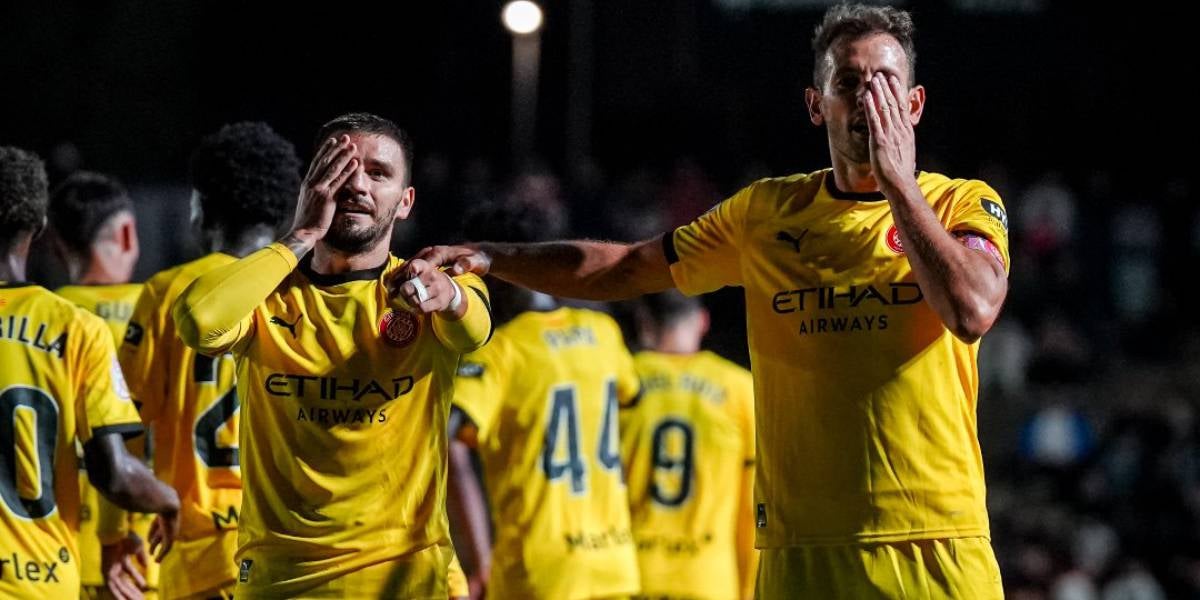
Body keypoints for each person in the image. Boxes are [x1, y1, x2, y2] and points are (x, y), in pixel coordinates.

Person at [413, 4, 1011, 597]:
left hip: (933, 541)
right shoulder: (764, 214)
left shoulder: (960, 204)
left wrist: (899, 184)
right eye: (848, 82)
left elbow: (973, 310)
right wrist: (493, 257)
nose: (868, 99)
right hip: (800, 551)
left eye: (885, 82)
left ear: (914, 104)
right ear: (815, 105)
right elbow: (627, 266)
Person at [172, 113, 492, 598]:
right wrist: (300, 234)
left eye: (378, 173)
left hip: (402, 582)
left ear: (405, 202)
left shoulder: (429, 288)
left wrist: (448, 294)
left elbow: (473, 328)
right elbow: (198, 320)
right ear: (312, 185)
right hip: (282, 582)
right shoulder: (269, 293)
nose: (357, 184)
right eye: (341, 168)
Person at [114, 121, 301, 600]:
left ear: (202, 205)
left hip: (196, 548)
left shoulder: (170, 292)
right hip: (289, 545)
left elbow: (124, 425)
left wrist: (122, 527)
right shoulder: (302, 293)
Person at [0, 146, 179, 599]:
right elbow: (114, 472)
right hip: (105, 562)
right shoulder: (152, 314)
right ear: (39, 226)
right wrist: (167, 501)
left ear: (56, 242)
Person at [446, 199, 641, 599]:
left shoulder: (501, 352)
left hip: (539, 571)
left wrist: (478, 559)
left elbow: (445, 441)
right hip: (615, 563)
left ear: (494, 272)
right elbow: (630, 403)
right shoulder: (603, 332)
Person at [47, 171, 158, 600]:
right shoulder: (163, 310)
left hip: (52, 556)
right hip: (145, 556)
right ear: (128, 233)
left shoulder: (42, 317)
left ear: (57, 245)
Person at [620, 290, 756, 600]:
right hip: (708, 580)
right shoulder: (738, 388)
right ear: (703, 322)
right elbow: (753, 507)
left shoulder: (623, 380)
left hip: (631, 577)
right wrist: (749, 589)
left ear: (643, 322)